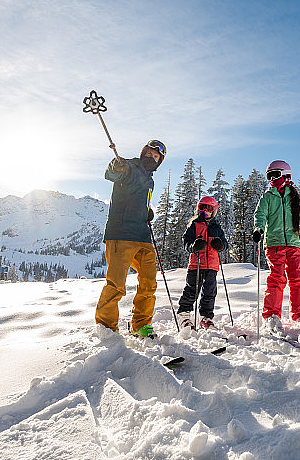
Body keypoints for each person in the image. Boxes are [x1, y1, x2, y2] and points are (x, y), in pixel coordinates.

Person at [95, 139, 167, 338]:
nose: (152, 158)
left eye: (156, 157)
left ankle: (141, 324)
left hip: (142, 235)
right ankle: (106, 328)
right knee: (116, 284)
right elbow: (113, 172)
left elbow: (135, 197)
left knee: (149, 283)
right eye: (150, 154)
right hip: (121, 233)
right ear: (143, 152)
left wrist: (146, 211)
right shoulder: (129, 167)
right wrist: (117, 165)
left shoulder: (149, 179)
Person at [252, 160, 300, 335]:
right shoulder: (267, 197)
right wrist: (259, 229)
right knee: (277, 279)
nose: (272, 179)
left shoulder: (293, 197)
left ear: (286, 175)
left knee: (298, 279)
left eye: (275, 175)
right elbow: (260, 215)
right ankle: (271, 315)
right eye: (269, 176)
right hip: (274, 244)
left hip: (293, 243)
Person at [176, 196, 229, 330]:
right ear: (198, 209)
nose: (205, 211)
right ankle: (184, 316)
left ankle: (206, 318)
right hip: (196, 265)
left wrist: (220, 245)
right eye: (202, 208)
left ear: (214, 211)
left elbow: (225, 244)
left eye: (209, 208)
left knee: (209, 293)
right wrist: (193, 246)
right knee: (191, 290)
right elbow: (186, 242)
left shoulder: (217, 228)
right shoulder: (194, 225)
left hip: (212, 266)